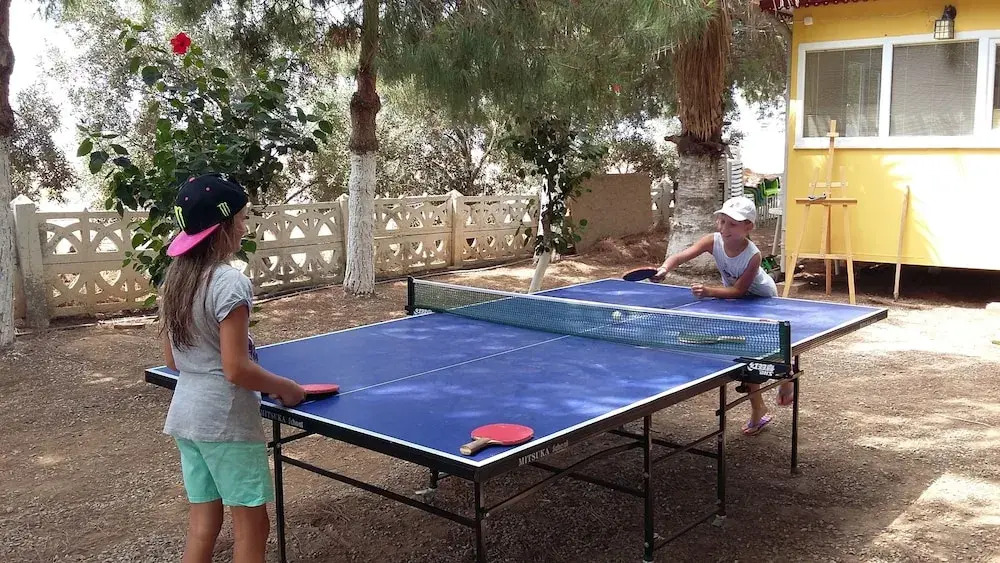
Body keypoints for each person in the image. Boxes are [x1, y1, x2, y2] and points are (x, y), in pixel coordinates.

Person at [158, 173, 306, 563]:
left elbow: (172, 360)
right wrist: (286, 387)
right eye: (241, 219)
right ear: (222, 227)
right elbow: (236, 369)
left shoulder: (174, 282)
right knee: (252, 525)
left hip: (186, 415)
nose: (245, 227)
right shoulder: (230, 283)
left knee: (203, 523)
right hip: (225, 421)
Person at [652, 195, 791, 436]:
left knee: (767, 347)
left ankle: (786, 378)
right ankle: (759, 409)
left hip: (761, 300)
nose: (724, 228)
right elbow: (681, 256)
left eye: (732, 224)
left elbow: (739, 291)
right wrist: (664, 269)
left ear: (748, 227)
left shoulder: (753, 256)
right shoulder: (712, 240)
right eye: (722, 221)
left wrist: (708, 291)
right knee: (745, 356)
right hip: (734, 302)